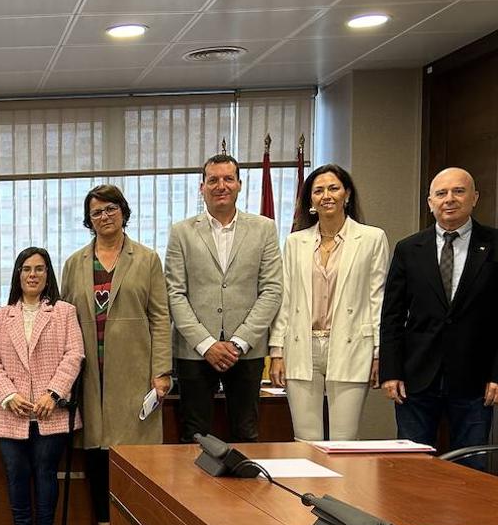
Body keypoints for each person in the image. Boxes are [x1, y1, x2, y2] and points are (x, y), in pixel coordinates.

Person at [62, 185, 172, 525]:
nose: (104, 216)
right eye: (96, 212)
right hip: (90, 374)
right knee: (96, 453)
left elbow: (160, 317)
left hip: (135, 372)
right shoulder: (75, 263)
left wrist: (162, 372)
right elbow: (63, 321)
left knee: (137, 456)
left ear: (124, 212)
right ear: (88, 220)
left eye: (111, 209)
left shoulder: (147, 259)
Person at [379, 167, 498, 461]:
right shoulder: (408, 248)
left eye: (458, 191)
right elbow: (392, 315)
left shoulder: (494, 245)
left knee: (472, 467)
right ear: (430, 201)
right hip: (416, 378)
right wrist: (390, 371)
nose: (449, 199)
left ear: (474, 198)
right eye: (441, 193)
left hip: (475, 379)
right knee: (412, 468)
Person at [165, 153, 282, 444]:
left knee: (246, 433)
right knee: (194, 436)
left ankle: (244, 491)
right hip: (195, 351)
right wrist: (207, 344)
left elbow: (272, 290)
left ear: (240, 184)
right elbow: (175, 293)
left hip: (246, 350)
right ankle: (191, 492)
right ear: (201, 187)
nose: (221, 185)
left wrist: (237, 342)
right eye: (213, 180)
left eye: (228, 179)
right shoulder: (181, 232)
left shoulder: (264, 229)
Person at [269, 165, 388, 441]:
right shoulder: (295, 242)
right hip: (302, 346)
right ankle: (310, 487)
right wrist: (277, 351)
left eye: (333, 188)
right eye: (318, 190)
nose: (326, 196)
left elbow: (377, 298)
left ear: (347, 193)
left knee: (344, 441)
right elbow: (285, 299)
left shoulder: (371, 239)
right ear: (310, 200)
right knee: (305, 439)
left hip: (350, 345)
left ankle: (344, 487)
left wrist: (378, 352)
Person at [0, 247, 83, 525]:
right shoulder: (0, 316)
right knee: (16, 474)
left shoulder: (64, 311)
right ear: (18, 274)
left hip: (49, 410)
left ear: (47, 274)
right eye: (26, 269)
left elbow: (74, 355)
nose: (32, 274)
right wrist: (9, 395)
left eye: (39, 269)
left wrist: (52, 394)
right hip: (11, 410)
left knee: (44, 473)